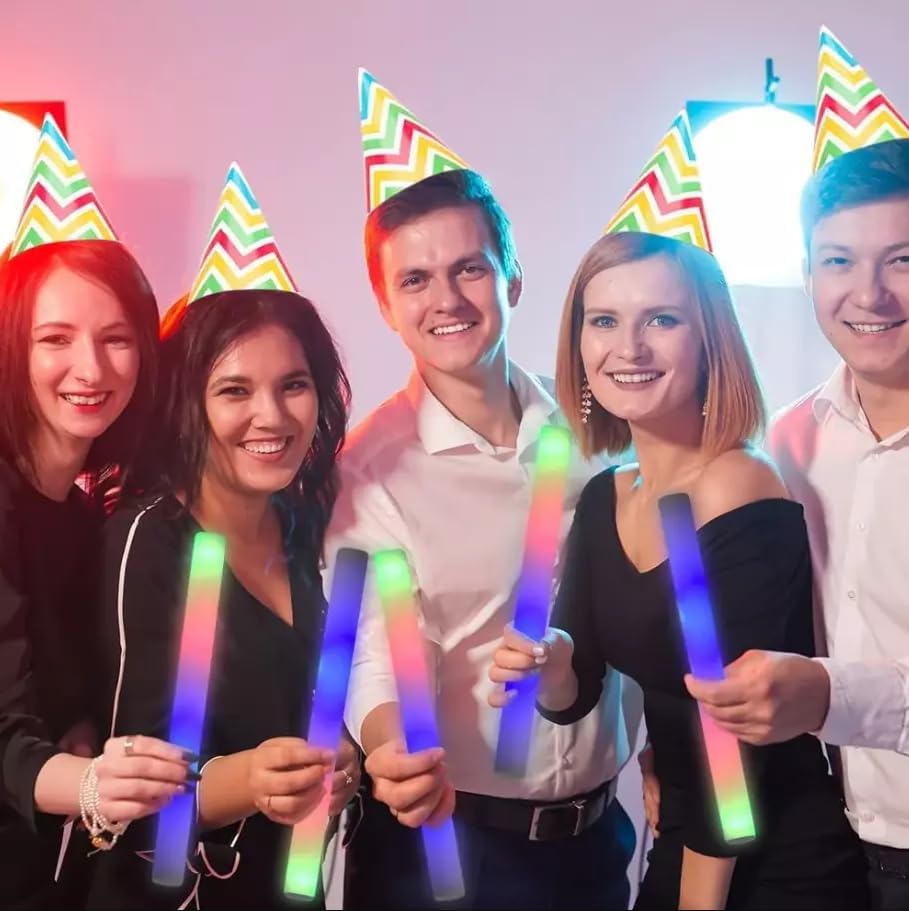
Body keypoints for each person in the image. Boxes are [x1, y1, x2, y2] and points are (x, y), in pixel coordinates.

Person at [489, 113, 868, 909]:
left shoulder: (738, 486)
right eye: (603, 320)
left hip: (773, 860)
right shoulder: (606, 495)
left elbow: (739, 745)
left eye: (660, 319)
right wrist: (548, 662)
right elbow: (573, 691)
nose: (627, 347)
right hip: (687, 840)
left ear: (708, 340)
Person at [330, 71, 637, 910]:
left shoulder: (600, 432)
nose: (446, 299)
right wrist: (388, 747)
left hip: (597, 841)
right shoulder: (368, 467)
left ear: (512, 278)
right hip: (443, 850)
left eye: (468, 268)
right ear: (385, 304)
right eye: (415, 279)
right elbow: (367, 647)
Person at [85, 165, 360, 908]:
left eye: (293, 385)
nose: (271, 416)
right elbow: (120, 796)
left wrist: (347, 759)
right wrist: (245, 780)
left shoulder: (309, 528)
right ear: (188, 404)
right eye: (234, 390)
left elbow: (324, 706)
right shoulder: (147, 540)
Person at [686, 29, 909, 910]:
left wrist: (826, 693)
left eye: (902, 260)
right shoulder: (787, 443)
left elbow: (817, 683)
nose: (869, 293)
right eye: (838, 261)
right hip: (837, 849)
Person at [0, 117, 191, 909]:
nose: (90, 367)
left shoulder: (89, 518)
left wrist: (84, 730)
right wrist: (90, 782)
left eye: (116, 338)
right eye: (55, 338)